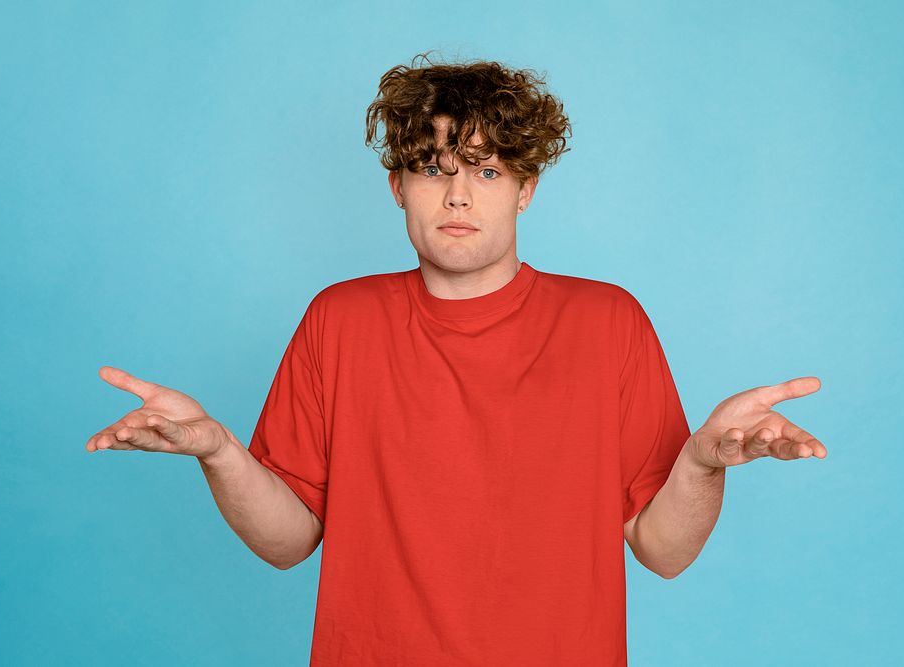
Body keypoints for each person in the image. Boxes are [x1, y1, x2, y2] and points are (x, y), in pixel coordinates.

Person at [85, 52, 828, 666]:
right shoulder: (337, 320)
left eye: (488, 172)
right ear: (398, 187)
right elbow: (289, 541)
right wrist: (217, 450)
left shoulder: (610, 323)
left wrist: (700, 461)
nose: (458, 196)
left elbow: (662, 549)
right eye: (434, 169)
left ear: (527, 190)